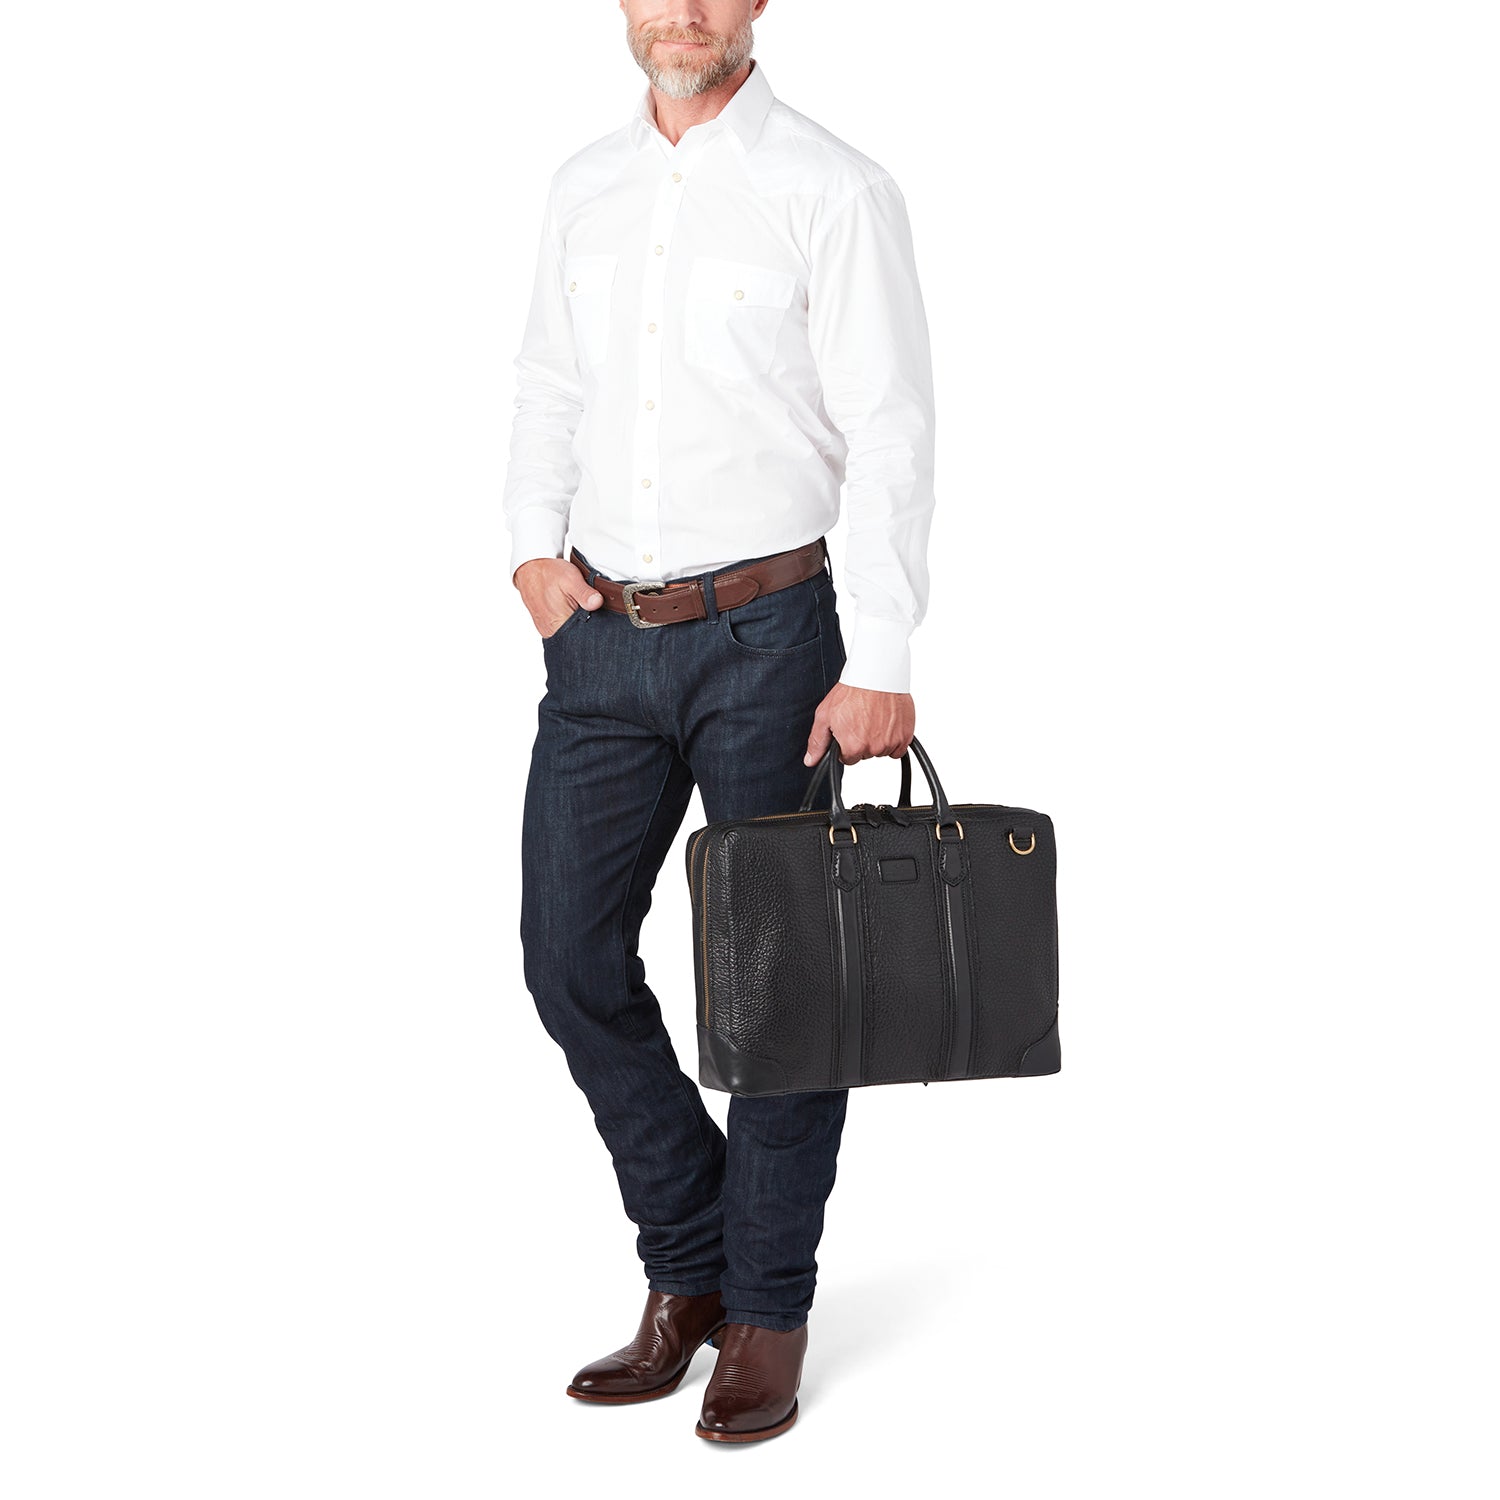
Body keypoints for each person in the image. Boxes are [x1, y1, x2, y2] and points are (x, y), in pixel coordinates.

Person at [502, 1, 935, 1444]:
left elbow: (891, 427)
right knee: (568, 957)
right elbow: (550, 383)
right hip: (601, 637)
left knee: (778, 987)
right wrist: (530, 551)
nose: (680, 9)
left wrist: (882, 652)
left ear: (758, 2)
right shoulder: (583, 187)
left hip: (773, 642)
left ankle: (765, 1307)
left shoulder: (834, 188)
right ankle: (691, 1263)